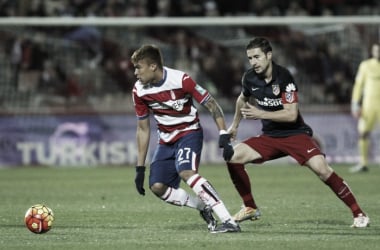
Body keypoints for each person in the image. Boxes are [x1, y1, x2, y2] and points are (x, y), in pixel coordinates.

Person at [221, 37, 370, 228]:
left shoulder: (284, 77)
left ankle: (359, 213)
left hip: (295, 134)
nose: (253, 62)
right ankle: (250, 207)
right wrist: (234, 126)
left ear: (269, 55)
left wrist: (260, 112)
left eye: (257, 57)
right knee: (232, 156)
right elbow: (242, 99)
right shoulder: (249, 78)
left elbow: (291, 115)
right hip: (270, 137)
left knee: (322, 170)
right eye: (250, 58)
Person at [131, 44, 240, 233]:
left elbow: (211, 104)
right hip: (166, 140)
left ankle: (229, 220)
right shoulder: (139, 90)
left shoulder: (181, 80)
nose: (135, 73)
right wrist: (140, 168)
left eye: (138, 67)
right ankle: (202, 207)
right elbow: (143, 129)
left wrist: (223, 133)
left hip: (190, 133)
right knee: (157, 187)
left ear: (153, 66)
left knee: (186, 172)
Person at [350, 42, 380, 173]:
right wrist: (355, 103)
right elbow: (358, 85)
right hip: (369, 105)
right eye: (376, 50)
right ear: (372, 51)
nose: (377, 53)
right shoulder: (365, 65)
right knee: (363, 133)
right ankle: (363, 163)